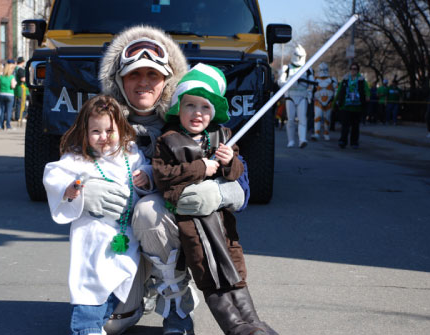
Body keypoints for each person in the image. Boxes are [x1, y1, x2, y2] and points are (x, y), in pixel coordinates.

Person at [96, 25, 249, 335]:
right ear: (119, 80)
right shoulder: (100, 123)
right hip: (116, 240)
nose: (143, 83)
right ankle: (130, 297)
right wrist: (82, 190)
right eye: (133, 75)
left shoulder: (186, 125)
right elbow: (68, 168)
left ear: (166, 82)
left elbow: (241, 180)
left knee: (150, 211)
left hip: (168, 234)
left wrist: (219, 193)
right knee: (114, 322)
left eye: (152, 75)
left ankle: (177, 307)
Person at [153, 63, 278, 335]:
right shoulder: (168, 141)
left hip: (221, 221)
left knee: (234, 268)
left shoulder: (223, 138)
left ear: (214, 113)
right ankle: (235, 327)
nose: (197, 113)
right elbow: (162, 176)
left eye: (205, 107)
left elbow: (237, 175)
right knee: (209, 272)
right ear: (178, 108)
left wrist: (229, 161)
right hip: (191, 221)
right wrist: (200, 168)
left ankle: (254, 323)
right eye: (191, 105)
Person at [43, 95, 155, 335]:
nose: (103, 137)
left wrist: (146, 175)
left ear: (121, 129)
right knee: (92, 282)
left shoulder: (131, 154)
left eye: (109, 130)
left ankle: (99, 322)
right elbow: (54, 174)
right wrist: (71, 188)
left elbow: (145, 168)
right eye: (96, 131)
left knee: (118, 280)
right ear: (84, 132)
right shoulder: (77, 157)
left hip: (123, 235)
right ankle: (86, 327)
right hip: (93, 236)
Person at [278, 43, 314, 148]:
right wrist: (290, 82)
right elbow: (280, 82)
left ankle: (302, 139)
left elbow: (312, 83)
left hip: (302, 95)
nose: (299, 58)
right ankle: (291, 140)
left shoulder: (308, 69)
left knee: (302, 119)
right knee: (290, 119)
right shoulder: (287, 68)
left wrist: (309, 92)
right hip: (291, 96)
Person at [333, 62, 370, 149]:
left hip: (357, 107)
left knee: (355, 126)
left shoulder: (361, 80)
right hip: (345, 106)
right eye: (352, 69)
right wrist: (335, 102)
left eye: (355, 69)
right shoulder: (345, 80)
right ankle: (343, 141)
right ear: (350, 70)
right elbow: (339, 91)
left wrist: (368, 96)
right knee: (345, 125)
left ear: (357, 70)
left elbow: (366, 89)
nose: (353, 70)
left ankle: (354, 142)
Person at [312, 62, 337, 141]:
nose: (323, 71)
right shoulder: (315, 79)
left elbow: (336, 90)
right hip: (318, 101)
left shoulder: (332, 79)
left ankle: (326, 133)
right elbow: (310, 89)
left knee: (327, 118)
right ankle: (316, 133)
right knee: (317, 117)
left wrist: (336, 99)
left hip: (328, 101)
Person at [0, 61, 16, 130]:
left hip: (2, 94)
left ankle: (1, 125)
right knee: (9, 111)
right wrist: (15, 84)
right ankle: (8, 125)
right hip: (10, 94)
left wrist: (1, 90)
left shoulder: (0, 77)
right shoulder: (11, 77)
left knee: (2, 110)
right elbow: (13, 86)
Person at [13, 57, 26, 121]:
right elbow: (22, 79)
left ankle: (17, 116)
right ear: (22, 62)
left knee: (17, 102)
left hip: (16, 87)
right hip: (20, 87)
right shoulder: (20, 69)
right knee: (20, 103)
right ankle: (19, 117)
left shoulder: (15, 68)